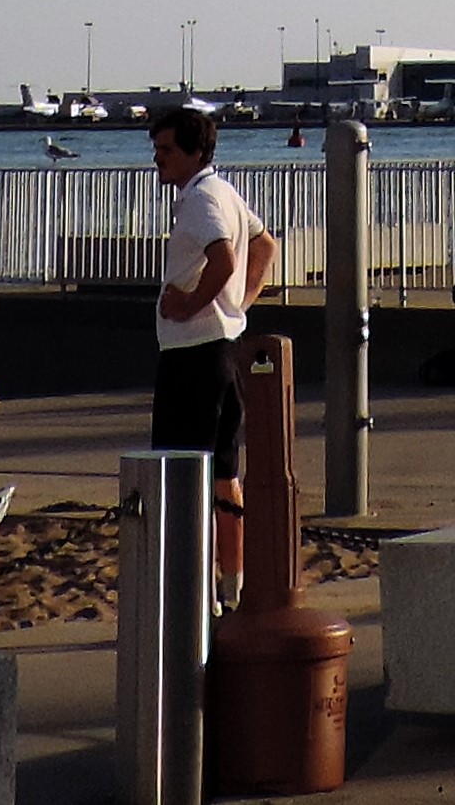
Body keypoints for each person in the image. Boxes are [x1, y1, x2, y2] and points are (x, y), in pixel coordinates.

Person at [147, 105, 277, 587]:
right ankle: (232, 581)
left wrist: (192, 303)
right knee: (223, 469)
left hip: (193, 354)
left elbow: (223, 258)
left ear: (194, 151)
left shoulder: (201, 199)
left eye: (166, 150)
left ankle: (195, 586)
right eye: (156, 149)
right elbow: (266, 247)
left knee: (182, 472)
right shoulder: (224, 191)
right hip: (221, 346)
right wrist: (238, 303)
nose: (158, 159)